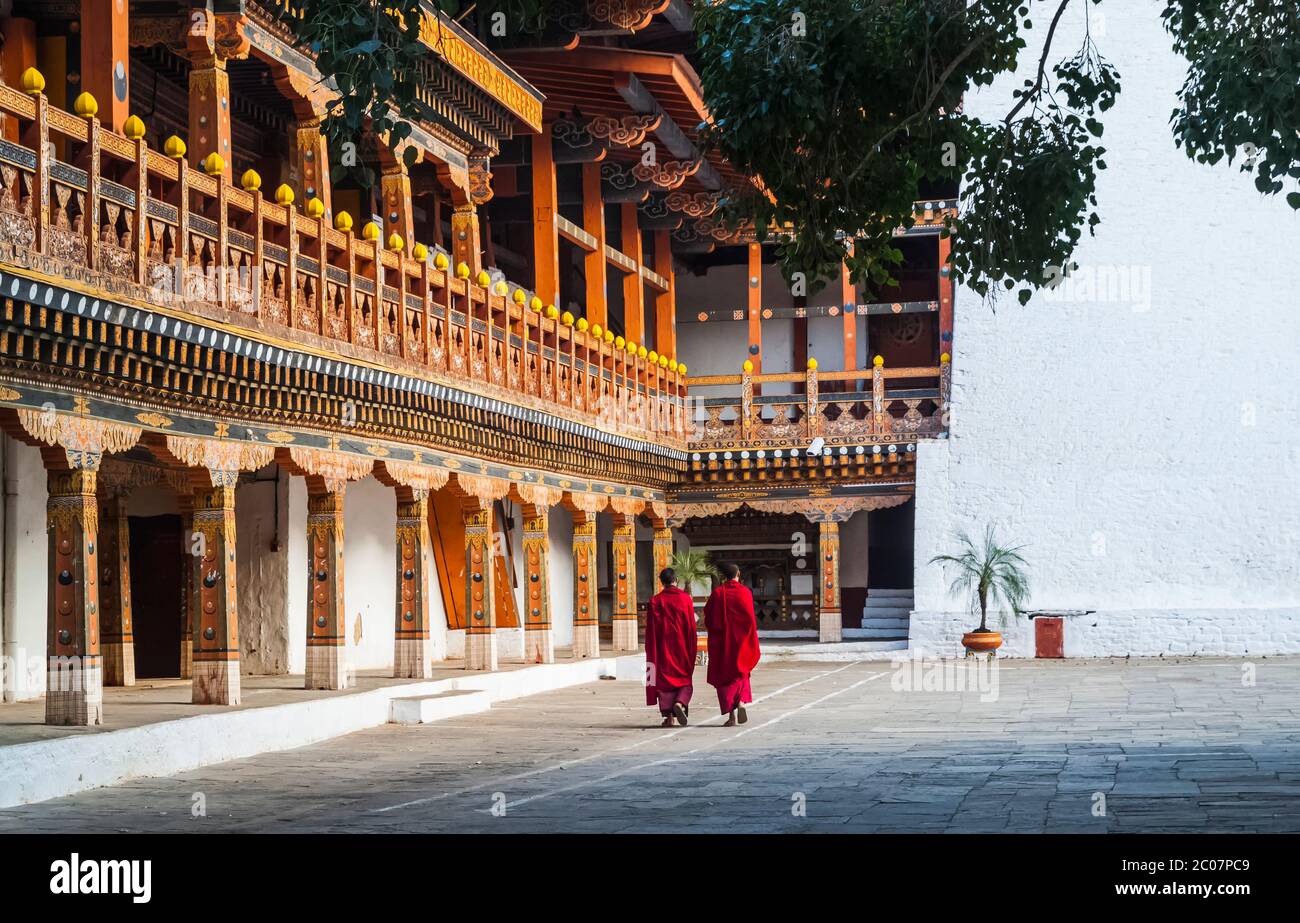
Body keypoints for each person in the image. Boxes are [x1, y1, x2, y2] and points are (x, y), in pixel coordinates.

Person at [703, 562, 761, 726]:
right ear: (738, 575)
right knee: (741, 672)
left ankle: (731, 716)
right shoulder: (745, 592)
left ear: (723, 577)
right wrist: (749, 638)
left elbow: (708, 618)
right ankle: (741, 702)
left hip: (722, 644)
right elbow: (750, 619)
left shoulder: (717, 593)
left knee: (725, 677)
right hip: (741, 642)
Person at [644, 567, 699, 727]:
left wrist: (651, 650)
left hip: (662, 650)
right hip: (682, 648)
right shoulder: (685, 599)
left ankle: (669, 717)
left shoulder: (655, 601)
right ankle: (680, 703)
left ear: (661, 582)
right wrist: (692, 649)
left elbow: (651, 631)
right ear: (676, 580)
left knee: (664, 684)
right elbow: (690, 627)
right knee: (684, 679)